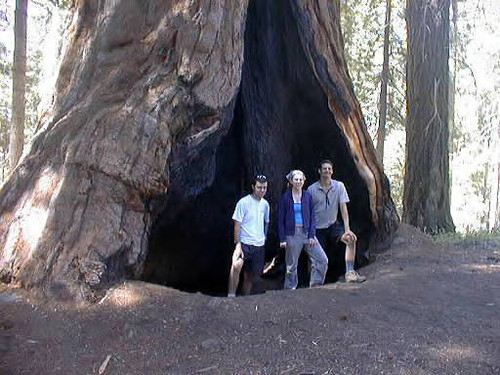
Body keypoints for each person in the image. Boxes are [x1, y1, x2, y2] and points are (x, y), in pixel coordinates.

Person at [307, 160, 366, 283]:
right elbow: (307, 212)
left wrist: (347, 229)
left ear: (332, 171)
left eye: (329, 169)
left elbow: (343, 208)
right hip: (317, 228)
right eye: (324, 169)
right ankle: (312, 283)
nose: (327, 171)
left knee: (350, 239)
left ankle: (350, 272)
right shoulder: (311, 190)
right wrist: (309, 233)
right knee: (315, 256)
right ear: (319, 171)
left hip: (333, 225)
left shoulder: (339, 186)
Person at [278, 170, 328, 289]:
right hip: (292, 233)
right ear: (291, 181)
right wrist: (282, 239)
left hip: (306, 232)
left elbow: (312, 217)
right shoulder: (286, 198)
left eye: (301, 179)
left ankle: (316, 284)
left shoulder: (307, 196)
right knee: (291, 266)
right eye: (296, 179)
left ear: (304, 181)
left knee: (322, 259)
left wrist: (311, 235)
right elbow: (280, 219)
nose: (299, 182)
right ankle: (290, 289)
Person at [227, 174, 270, 297]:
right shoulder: (243, 202)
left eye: (264, 188)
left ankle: (245, 299)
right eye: (259, 187)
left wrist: (264, 237)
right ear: (253, 187)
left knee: (251, 275)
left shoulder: (265, 204)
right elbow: (237, 223)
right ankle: (231, 295)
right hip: (245, 242)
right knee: (236, 265)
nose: (262, 190)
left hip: (259, 244)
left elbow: (266, 222)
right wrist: (238, 245)